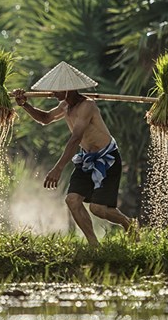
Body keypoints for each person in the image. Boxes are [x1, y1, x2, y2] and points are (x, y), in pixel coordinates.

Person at [13, 87, 138, 246]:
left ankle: (127, 223)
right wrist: (25, 105)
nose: (52, 93)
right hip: (87, 157)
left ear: (69, 89)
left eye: (56, 90)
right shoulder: (64, 105)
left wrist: (58, 168)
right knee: (72, 200)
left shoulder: (88, 105)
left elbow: (76, 138)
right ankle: (94, 244)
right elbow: (45, 118)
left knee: (98, 209)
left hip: (107, 158)